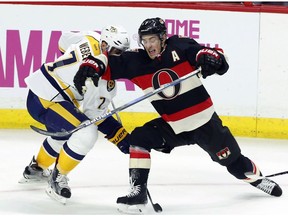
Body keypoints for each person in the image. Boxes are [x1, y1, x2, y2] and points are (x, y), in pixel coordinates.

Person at [74, 17, 283, 213]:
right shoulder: (136, 61)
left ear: (163, 38)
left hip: (204, 124)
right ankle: (138, 193)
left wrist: (212, 59)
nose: (149, 45)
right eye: (145, 40)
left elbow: (209, 55)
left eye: (153, 39)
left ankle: (256, 179)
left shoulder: (179, 47)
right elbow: (108, 63)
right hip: (173, 127)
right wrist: (91, 65)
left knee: (236, 165)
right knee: (139, 138)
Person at [19, 25, 131, 204]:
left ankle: (36, 168)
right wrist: (121, 137)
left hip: (39, 89)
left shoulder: (90, 36)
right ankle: (57, 178)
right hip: (47, 101)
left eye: (122, 53)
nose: (119, 57)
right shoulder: (101, 80)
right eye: (116, 51)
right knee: (85, 132)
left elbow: (63, 40)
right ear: (104, 46)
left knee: (66, 134)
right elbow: (96, 117)